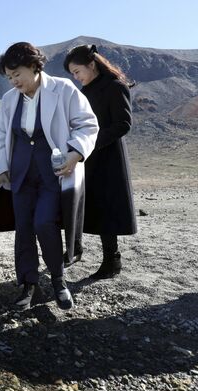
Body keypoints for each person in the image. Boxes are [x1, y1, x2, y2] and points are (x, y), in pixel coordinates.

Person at [0, 42, 99, 310]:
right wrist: (2, 169)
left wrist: (76, 153)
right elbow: (1, 136)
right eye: (9, 77)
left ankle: (58, 280)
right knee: (23, 229)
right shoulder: (8, 100)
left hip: (53, 173)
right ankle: (28, 284)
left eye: (18, 74)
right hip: (20, 175)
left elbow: (87, 123)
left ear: (34, 66)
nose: (14, 81)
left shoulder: (63, 89)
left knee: (44, 223)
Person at [64, 44, 137, 279]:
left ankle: (111, 262)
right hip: (87, 158)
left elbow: (123, 124)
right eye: (73, 74)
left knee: (107, 210)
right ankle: (75, 251)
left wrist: (92, 141)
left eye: (77, 71)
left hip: (108, 158)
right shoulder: (85, 92)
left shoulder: (115, 86)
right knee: (83, 205)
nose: (76, 77)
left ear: (92, 65)